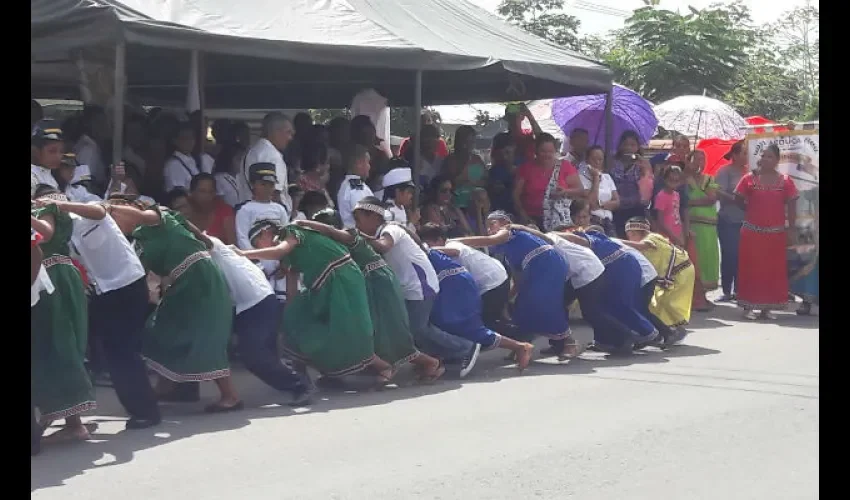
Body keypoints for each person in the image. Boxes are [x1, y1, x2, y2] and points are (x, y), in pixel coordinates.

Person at [105, 196, 242, 412]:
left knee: (204, 334)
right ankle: (167, 385)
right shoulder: (137, 242)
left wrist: (108, 207)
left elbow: (196, 235)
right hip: (180, 284)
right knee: (160, 327)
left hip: (200, 276)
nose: (117, 219)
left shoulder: (158, 216)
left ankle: (230, 395)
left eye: (119, 212)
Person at [37, 196, 162, 429]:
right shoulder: (68, 233)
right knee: (91, 345)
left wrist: (62, 205)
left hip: (127, 284)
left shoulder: (87, 213)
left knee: (122, 352)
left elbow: (99, 211)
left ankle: (145, 411)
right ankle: (74, 410)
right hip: (104, 291)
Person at [236, 220, 397, 384]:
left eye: (257, 244)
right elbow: (291, 289)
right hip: (320, 286)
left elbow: (279, 250)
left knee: (348, 329)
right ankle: (307, 376)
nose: (259, 249)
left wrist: (243, 253)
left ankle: (383, 366)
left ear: (265, 232)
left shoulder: (292, 232)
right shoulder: (287, 257)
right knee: (298, 323)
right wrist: (290, 318)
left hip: (343, 278)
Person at [295, 210, 447, 382]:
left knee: (394, 332)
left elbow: (331, 232)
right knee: (378, 331)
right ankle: (382, 368)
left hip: (381, 283)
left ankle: (430, 363)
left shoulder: (348, 235)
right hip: (369, 284)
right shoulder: (331, 244)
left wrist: (302, 224)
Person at [352, 197, 480, 376]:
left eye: (358, 220)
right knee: (410, 330)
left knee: (417, 330)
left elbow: (384, 247)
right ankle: (438, 357)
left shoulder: (390, 230)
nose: (356, 225)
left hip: (421, 285)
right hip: (409, 288)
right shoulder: (380, 233)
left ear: (373, 217)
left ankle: (465, 347)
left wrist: (355, 237)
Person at [452, 211, 582, 356]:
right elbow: (518, 277)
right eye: (487, 227)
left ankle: (569, 342)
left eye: (492, 224)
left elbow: (489, 240)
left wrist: (455, 242)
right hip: (536, 268)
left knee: (546, 303)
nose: (489, 229)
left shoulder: (508, 231)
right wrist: (508, 297)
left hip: (547, 263)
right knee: (523, 306)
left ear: (504, 222)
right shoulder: (508, 250)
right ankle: (524, 345)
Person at [207, 236, 313, 405]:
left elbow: (200, 236)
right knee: (264, 354)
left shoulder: (215, 247)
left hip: (257, 302)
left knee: (254, 355)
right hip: (245, 305)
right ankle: (296, 378)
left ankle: (300, 386)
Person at [30, 187, 96, 444]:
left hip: (50, 277)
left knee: (57, 343)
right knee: (65, 342)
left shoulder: (47, 208)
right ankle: (69, 417)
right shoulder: (61, 208)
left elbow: (45, 234)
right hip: (63, 274)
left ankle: (72, 420)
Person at [551, 226, 659, 354]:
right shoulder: (597, 240)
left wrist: (557, 235)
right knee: (603, 307)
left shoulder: (579, 238)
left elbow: (578, 240)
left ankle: (635, 335)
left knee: (613, 306)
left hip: (610, 268)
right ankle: (604, 340)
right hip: (607, 268)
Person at [425, 246, 534, 371]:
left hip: (459, 283)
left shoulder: (430, 248)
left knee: (463, 324)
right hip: (455, 283)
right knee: (442, 322)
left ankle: (520, 344)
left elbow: (454, 251)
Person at [734, 144, 798, 320]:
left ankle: (767, 308)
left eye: (769, 156)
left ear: (777, 160)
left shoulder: (785, 181)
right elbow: (737, 198)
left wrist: (791, 229)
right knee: (751, 270)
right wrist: (749, 210)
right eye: (763, 155)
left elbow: (792, 205)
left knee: (772, 271)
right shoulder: (749, 179)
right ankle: (748, 306)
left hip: (775, 235)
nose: (764, 159)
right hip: (752, 233)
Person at [418, 223, 512, 337]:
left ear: (439, 240)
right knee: (489, 319)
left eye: (429, 243)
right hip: (495, 279)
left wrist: (427, 249)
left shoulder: (452, 245)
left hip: (493, 282)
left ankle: (521, 335)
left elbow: (455, 252)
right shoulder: (452, 243)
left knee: (485, 323)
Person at [620, 217, 694, 344]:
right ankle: (666, 330)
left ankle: (672, 330)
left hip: (680, 272)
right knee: (657, 303)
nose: (630, 237)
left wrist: (617, 242)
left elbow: (642, 246)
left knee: (668, 302)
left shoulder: (651, 238)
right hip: (672, 274)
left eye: (632, 234)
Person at [513, 133, 584, 230]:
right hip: (532, 220)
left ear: (555, 151)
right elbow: (516, 196)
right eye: (543, 151)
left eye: (550, 151)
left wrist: (565, 191)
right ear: (536, 151)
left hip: (558, 220)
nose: (547, 155)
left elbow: (580, 190)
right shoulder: (526, 168)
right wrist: (524, 216)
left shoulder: (565, 166)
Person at [241, 112, 295, 214]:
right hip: (269, 218)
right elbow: (274, 193)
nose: (290, 138)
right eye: (288, 132)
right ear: (275, 131)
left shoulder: (251, 151)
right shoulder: (272, 156)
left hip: (250, 213)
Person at [714, 140, 747, 301]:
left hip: (747, 221)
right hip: (728, 220)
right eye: (743, 153)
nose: (746, 156)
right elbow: (719, 192)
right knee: (730, 255)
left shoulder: (751, 172)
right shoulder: (725, 171)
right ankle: (727, 290)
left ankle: (740, 289)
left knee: (744, 256)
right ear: (734, 155)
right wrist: (737, 199)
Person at [684, 149, 720, 290]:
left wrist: (691, 201)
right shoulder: (683, 179)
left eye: (702, 159)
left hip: (708, 226)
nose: (699, 163)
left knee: (708, 256)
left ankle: (706, 290)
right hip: (691, 225)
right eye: (696, 159)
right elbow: (682, 200)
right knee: (694, 257)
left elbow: (711, 199)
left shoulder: (708, 179)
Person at [610, 130, 652, 236]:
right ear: (620, 146)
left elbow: (648, 187)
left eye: (632, 145)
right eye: (625, 144)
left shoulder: (643, 163)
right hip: (617, 209)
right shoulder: (612, 163)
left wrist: (645, 169)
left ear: (638, 147)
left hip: (636, 208)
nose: (628, 148)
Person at [442, 126, 488, 213]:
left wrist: (477, 183)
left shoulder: (477, 159)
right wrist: (463, 177)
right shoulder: (451, 160)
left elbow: (486, 179)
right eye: (468, 142)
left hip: (478, 204)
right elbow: (447, 184)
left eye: (473, 141)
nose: (471, 145)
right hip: (458, 206)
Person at [578, 145, 619, 235]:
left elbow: (616, 202)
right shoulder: (581, 178)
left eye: (600, 159)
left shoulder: (607, 177)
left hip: (608, 221)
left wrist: (600, 204)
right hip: (593, 221)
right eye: (594, 159)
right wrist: (596, 178)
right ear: (587, 161)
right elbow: (591, 203)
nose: (597, 162)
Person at [188, 173, 236, 245]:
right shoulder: (185, 209)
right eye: (202, 191)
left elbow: (233, 245)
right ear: (192, 192)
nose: (207, 196)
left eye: (211, 192)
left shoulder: (224, 211)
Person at [337, 144, 374, 228]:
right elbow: (363, 217)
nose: (369, 166)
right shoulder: (357, 188)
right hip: (358, 237)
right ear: (359, 163)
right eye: (367, 162)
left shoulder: (348, 184)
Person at [164, 121, 207, 192]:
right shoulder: (173, 165)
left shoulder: (194, 160)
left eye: (192, 138)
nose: (189, 141)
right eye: (185, 138)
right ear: (175, 140)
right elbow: (179, 192)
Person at [486, 132, 517, 215]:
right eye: (500, 154)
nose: (504, 157)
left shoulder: (523, 168)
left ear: (514, 149)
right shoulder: (494, 172)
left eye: (508, 152)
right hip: (499, 214)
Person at [297, 142, 334, 209]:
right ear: (318, 165)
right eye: (327, 163)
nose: (328, 167)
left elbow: (331, 206)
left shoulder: (320, 183)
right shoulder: (302, 182)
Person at [31, 119, 63, 195]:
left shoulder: (50, 176)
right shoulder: (33, 176)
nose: (58, 156)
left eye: (61, 151)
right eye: (52, 151)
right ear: (35, 150)